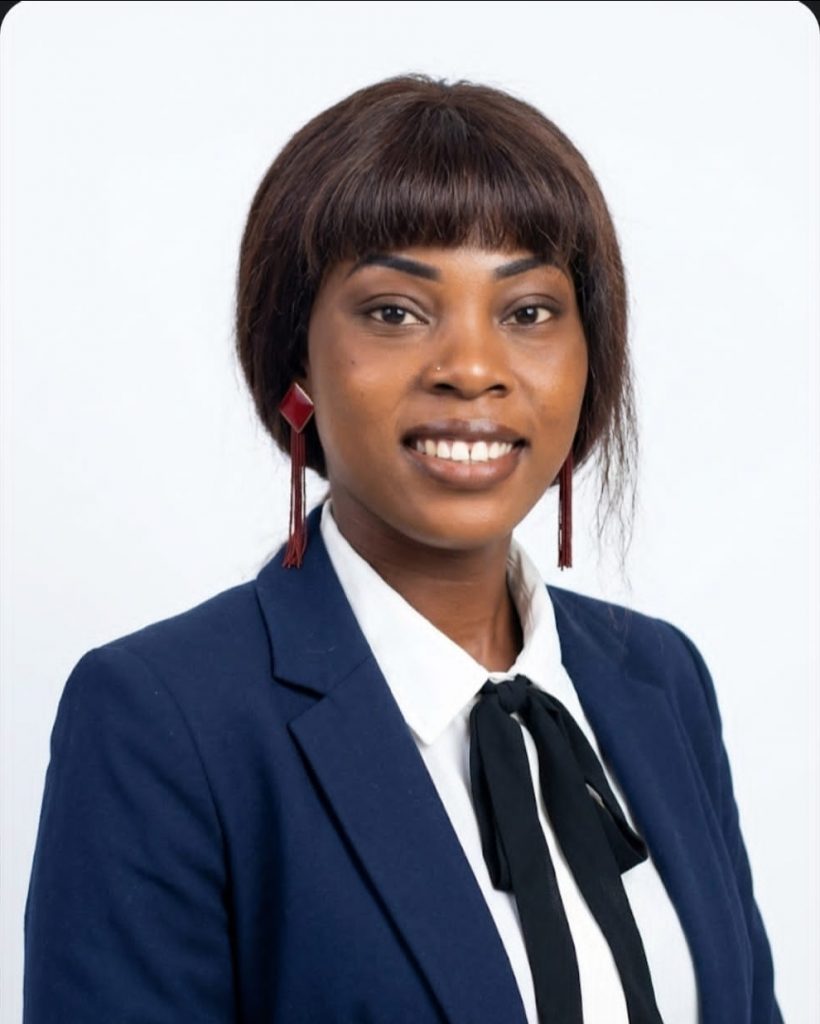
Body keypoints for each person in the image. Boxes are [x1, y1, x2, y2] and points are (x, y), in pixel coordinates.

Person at [22, 73, 782, 1023]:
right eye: (394, 311)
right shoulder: (162, 720)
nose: (472, 369)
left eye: (528, 311)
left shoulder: (659, 678)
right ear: (295, 358)